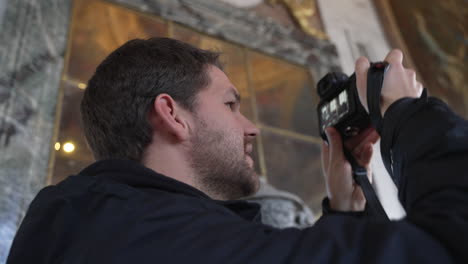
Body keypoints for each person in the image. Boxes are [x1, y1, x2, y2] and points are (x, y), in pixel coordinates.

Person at [6, 38, 467, 263]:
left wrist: (345, 209)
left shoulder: (107, 226)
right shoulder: (146, 234)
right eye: (231, 105)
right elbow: (447, 246)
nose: (252, 129)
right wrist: (409, 113)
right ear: (172, 114)